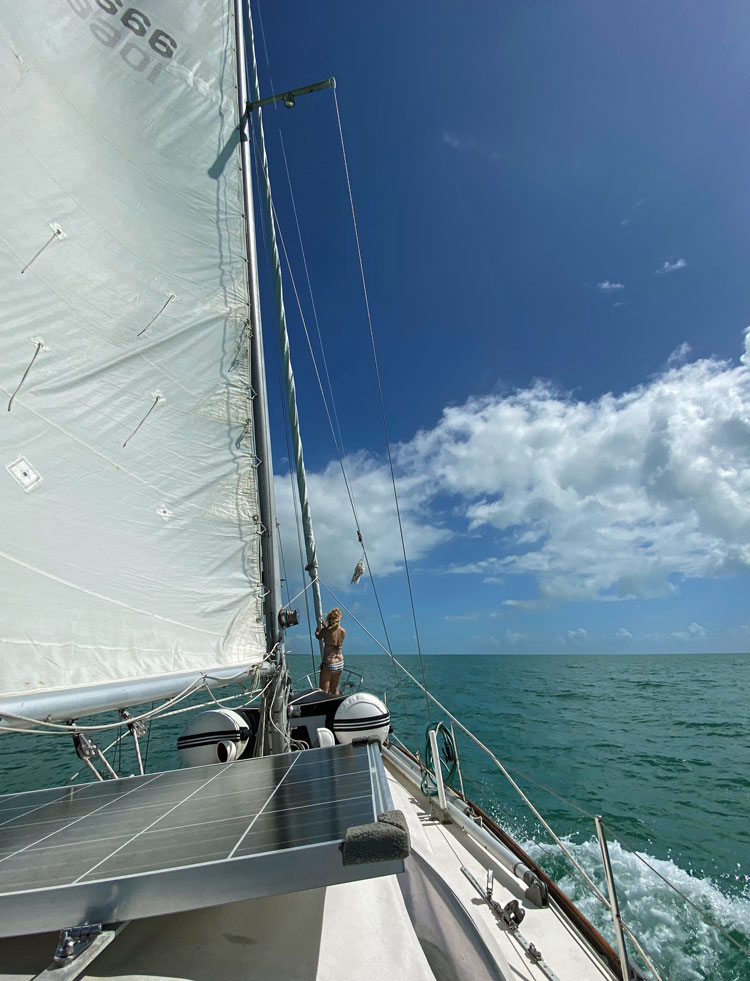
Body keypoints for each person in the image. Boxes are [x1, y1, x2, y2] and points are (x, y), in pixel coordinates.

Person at [315, 608, 346, 695]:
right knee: (334, 690)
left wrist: (317, 630)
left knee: (323, 692)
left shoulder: (326, 631)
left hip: (329, 663)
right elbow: (333, 635)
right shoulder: (343, 631)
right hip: (339, 663)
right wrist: (326, 628)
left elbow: (319, 636)